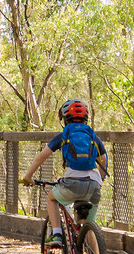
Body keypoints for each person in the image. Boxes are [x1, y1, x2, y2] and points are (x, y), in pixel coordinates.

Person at [21, 98, 108, 235]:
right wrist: (100, 181)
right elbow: (103, 159)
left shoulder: (63, 136)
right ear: (86, 119)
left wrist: (28, 177)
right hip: (94, 185)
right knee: (88, 227)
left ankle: (57, 233)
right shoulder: (93, 136)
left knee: (51, 198)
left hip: (72, 183)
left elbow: (40, 158)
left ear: (65, 119)